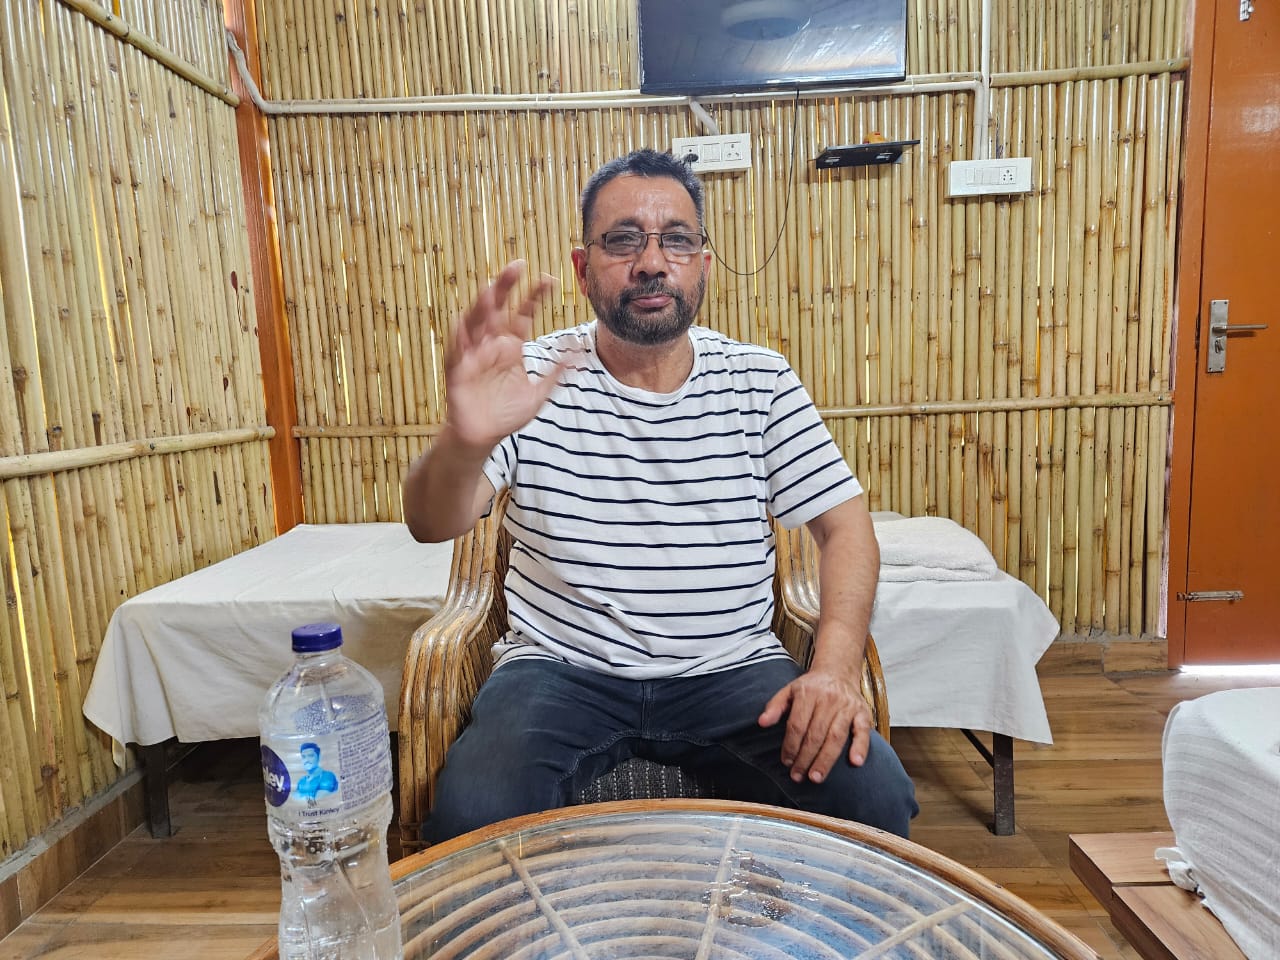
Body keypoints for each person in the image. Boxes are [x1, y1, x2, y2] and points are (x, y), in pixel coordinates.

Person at [403, 148, 917, 842]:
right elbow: (429, 523)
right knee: (472, 818)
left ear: (703, 262)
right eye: (622, 240)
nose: (651, 261)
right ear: (583, 268)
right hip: (559, 671)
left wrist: (834, 669)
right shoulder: (530, 377)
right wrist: (463, 440)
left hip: (733, 670)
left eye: (676, 239)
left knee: (873, 798)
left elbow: (847, 527)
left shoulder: (759, 380)